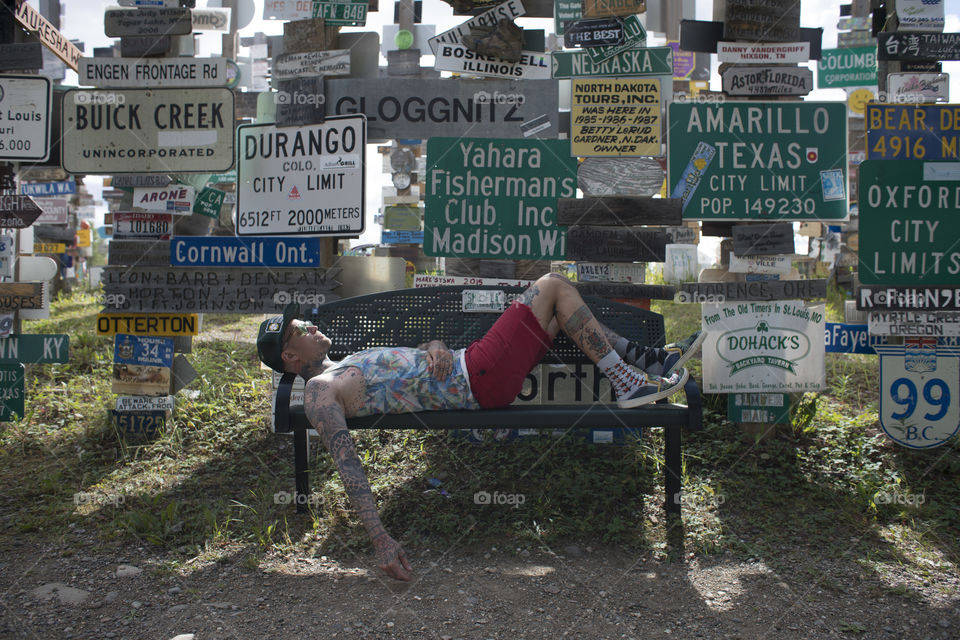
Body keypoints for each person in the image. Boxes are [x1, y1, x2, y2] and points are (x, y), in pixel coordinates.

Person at [257, 273, 705, 581]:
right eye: (301, 328)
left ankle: (648, 362)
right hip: (480, 376)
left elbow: (406, 366)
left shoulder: (344, 363)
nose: (312, 325)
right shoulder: (320, 389)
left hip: (475, 369)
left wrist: (434, 345)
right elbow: (347, 463)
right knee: (549, 285)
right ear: (291, 358)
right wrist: (379, 538)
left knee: (557, 304)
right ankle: (630, 376)